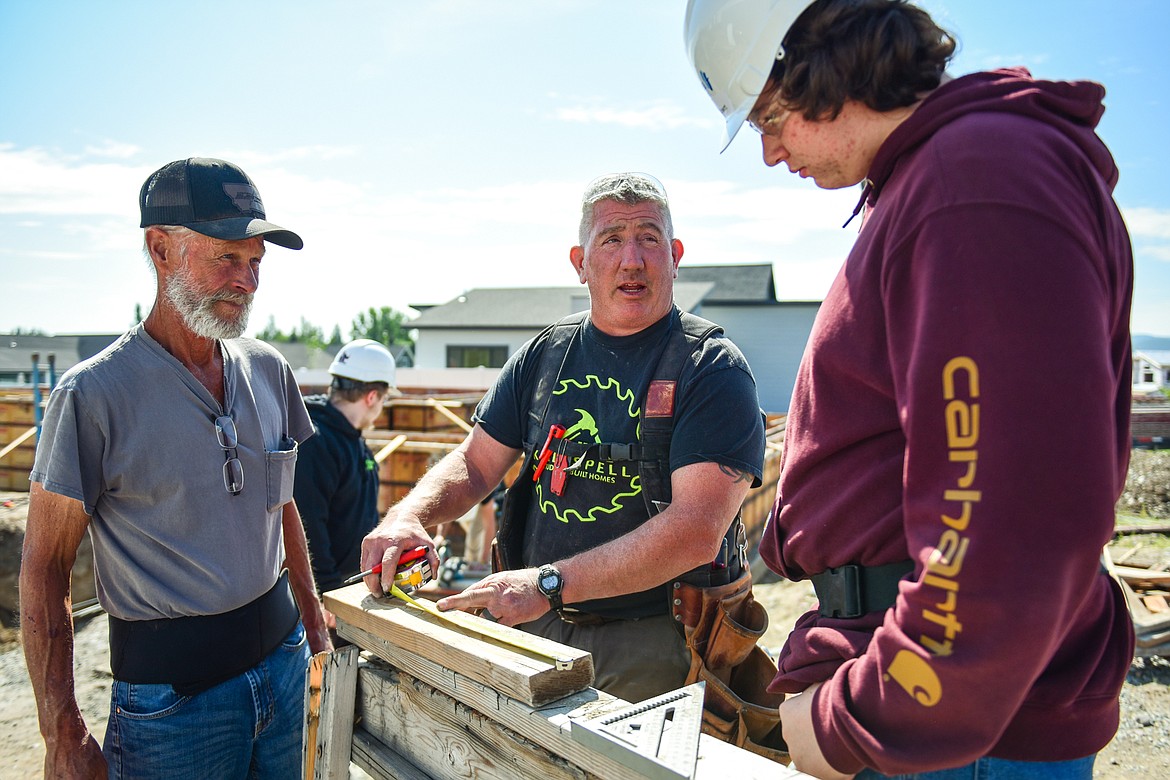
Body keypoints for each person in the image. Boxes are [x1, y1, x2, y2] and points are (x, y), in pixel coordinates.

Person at [685, 1, 1135, 778]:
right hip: (937, 702)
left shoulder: (976, 182)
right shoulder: (938, 182)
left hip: (961, 731)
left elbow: (1013, 515)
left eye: (767, 115)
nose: (766, 152)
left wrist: (862, 716)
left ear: (819, 59)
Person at [360, 172, 766, 703]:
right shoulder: (546, 356)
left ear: (675, 254)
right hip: (534, 628)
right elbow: (477, 463)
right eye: (611, 239)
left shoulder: (711, 368)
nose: (632, 259)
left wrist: (547, 584)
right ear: (580, 262)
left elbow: (695, 530)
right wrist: (408, 516)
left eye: (648, 237)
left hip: (657, 645)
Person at [21, 157, 332, 779]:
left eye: (255, 263)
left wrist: (316, 630)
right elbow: (44, 565)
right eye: (226, 259)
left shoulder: (269, 369)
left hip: (286, 670)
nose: (247, 282)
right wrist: (61, 732)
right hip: (173, 709)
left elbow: (283, 506)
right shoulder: (93, 395)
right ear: (160, 249)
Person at [295, 338, 397, 604]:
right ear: (372, 396)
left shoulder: (352, 438)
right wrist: (325, 593)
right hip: (328, 597)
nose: (381, 408)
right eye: (384, 399)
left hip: (351, 587)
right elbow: (308, 524)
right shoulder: (315, 441)